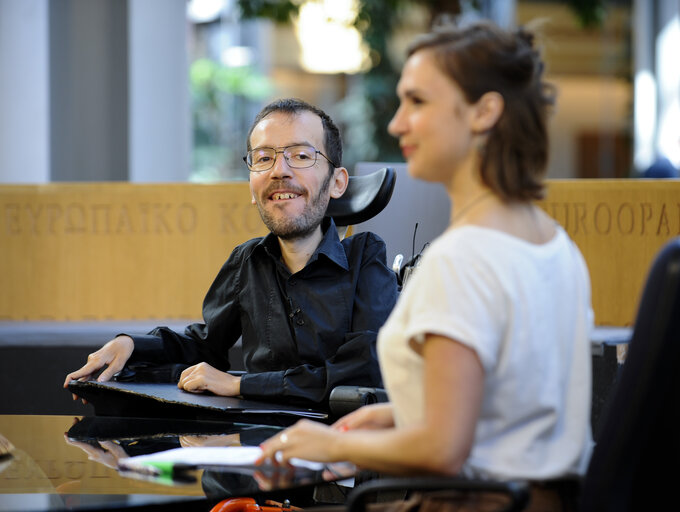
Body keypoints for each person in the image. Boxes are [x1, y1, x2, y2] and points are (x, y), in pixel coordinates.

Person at [258, 21, 593, 511]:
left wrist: (333, 444)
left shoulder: (463, 258)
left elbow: (442, 448)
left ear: (484, 111)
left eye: (418, 102)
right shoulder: (552, 242)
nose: (397, 123)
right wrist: (398, 416)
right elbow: (514, 409)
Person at [64, 98, 398, 406]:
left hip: (337, 458)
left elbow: (363, 370)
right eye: (264, 158)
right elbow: (205, 347)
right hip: (253, 448)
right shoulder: (246, 262)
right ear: (253, 187)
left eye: (300, 155)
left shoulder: (365, 258)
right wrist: (131, 346)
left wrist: (241, 386)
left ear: (338, 182)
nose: (279, 171)